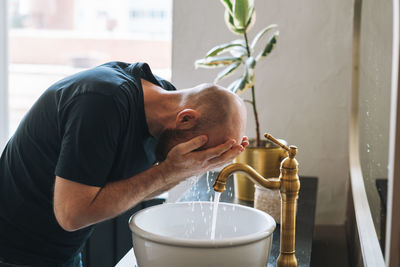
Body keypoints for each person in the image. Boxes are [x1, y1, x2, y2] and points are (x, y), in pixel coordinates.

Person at [0, 61, 248, 266]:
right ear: (185, 119)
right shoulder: (101, 104)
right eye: (200, 151)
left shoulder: (164, 109)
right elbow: (71, 214)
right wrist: (170, 171)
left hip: (63, 252)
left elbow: (145, 183)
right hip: (13, 252)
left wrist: (186, 169)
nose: (197, 160)